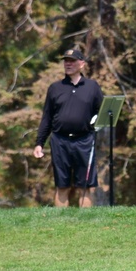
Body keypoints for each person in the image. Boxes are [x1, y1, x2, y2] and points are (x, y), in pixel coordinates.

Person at [34, 48, 103, 208]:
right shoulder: (55, 88)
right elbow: (47, 118)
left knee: (85, 186)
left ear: (82, 64)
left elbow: (102, 112)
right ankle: (60, 221)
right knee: (62, 185)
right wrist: (39, 143)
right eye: (66, 61)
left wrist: (96, 124)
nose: (68, 64)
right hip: (60, 141)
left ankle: (85, 221)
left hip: (85, 140)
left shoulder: (92, 87)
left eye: (72, 61)